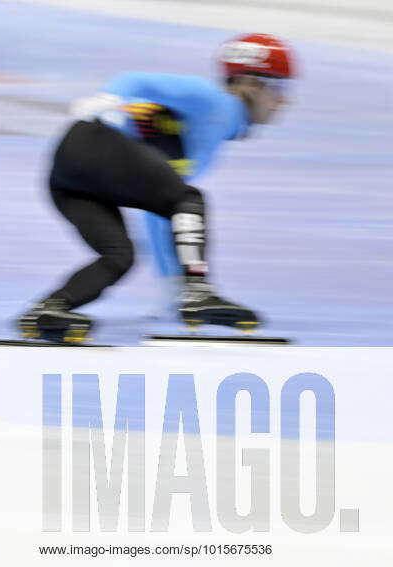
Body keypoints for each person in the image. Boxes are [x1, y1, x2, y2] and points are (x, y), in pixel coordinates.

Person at [19, 33, 296, 343]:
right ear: (252, 84)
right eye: (281, 87)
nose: (285, 100)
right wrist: (108, 99)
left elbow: (164, 214)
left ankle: (50, 308)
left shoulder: (208, 129)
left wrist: (172, 285)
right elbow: (135, 79)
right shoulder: (216, 102)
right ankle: (199, 293)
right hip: (95, 141)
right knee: (190, 199)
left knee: (118, 255)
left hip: (68, 172)